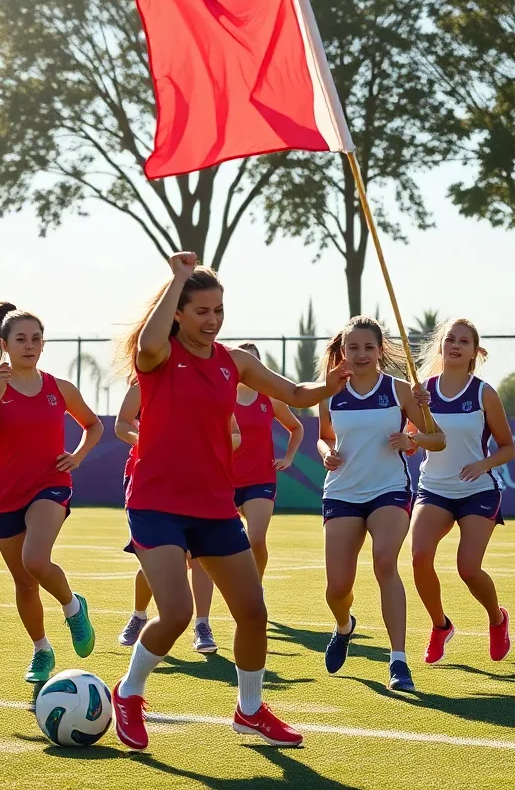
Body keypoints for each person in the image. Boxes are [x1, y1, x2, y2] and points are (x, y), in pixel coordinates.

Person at [110, 252, 350, 750]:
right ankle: (129, 693)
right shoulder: (157, 358)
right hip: (156, 502)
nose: (213, 320)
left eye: (219, 310)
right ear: (177, 310)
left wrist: (328, 385)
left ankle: (250, 710)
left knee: (252, 612)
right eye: (201, 310)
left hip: (214, 506)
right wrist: (175, 279)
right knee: (175, 613)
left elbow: (295, 393)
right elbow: (150, 342)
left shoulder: (234, 362)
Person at [0, 303, 102, 682]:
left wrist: (77, 456)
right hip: (1, 492)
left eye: (36, 339)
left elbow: (92, 426)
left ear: (43, 344)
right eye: (21, 339)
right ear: (5, 345)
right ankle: (41, 650)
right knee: (25, 581)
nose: (30, 345)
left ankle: (73, 607)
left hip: (50, 484)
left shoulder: (59, 388)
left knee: (36, 560)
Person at [317, 316, 445, 692]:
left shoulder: (401, 390)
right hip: (342, 491)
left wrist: (413, 441)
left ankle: (399, 661)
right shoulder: (330, 392)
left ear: (380, 350)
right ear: (342, 352)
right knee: (337, 588)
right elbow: (323, 438)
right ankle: (344, 626)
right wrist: (326, 452)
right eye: (352, 348)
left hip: (388, 489)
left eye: (368, 347)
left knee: (385, 561)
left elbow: (437, 440)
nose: (360, 354)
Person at [408, 318, 515, 664]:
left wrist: (482, 465)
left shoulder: (483, 392)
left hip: (477, 490)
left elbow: (507, 447)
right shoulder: (422, 390)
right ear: (440, 347)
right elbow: (412, 443)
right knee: (419, 557)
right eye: (450, 339)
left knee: (468, 568)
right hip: (434, 488)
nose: (455, 345)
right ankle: (440, 626)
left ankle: (497, 620)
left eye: (464, 341)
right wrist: (412, 428)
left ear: (474, 352)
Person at [114, 379, 229, 653]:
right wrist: (146, 441)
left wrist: (216, 446)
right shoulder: (144, 382)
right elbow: (121, 424)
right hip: (148, 480)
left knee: (200, 556)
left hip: (196, 479)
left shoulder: (204, 379)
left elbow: (232, 431)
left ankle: (202, 625)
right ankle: (139, 615)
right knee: (158, 558)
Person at [233, 342, 305, 579]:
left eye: (253, 362)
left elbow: (296, 428)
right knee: (221, 544)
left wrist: (289, 458)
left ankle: (256, 586)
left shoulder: (270, 399)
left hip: (260, 479)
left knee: (255, 539)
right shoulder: (221, 398)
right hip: (225, 480)